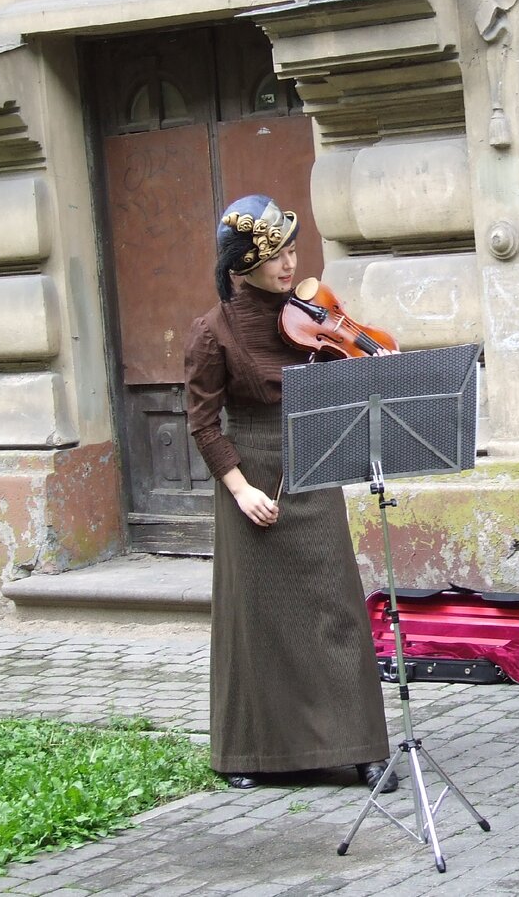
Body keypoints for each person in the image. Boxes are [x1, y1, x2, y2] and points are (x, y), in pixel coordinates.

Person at [184, 194, 398, 792]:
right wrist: (240, 488)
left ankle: (360, 747)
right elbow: (202, 423)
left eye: (290, 250)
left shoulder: (312, 312)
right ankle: (251, 752)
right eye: (273, 255)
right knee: (260, 616)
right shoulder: (212, 333)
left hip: (314, 457)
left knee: (336, 606)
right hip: (250, 468)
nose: (287, 264)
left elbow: (348, 369)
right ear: (240, 267)